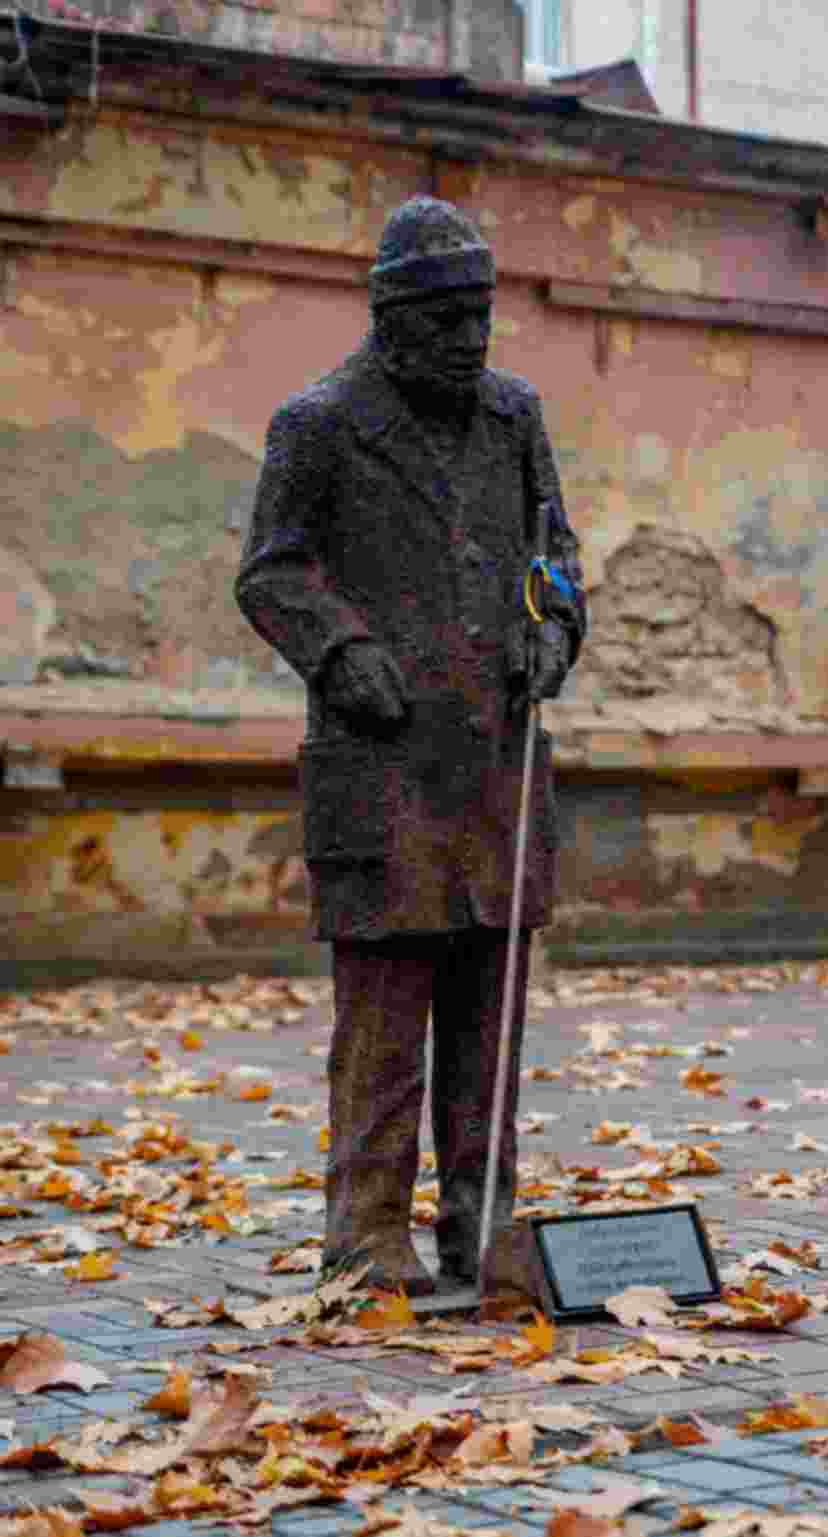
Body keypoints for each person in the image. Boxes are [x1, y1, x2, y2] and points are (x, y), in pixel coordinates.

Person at [235, 196, 586, 1296]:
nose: (469, 340)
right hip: (381, 774)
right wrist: (341, 652)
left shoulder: (513, 417)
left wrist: (554, 634)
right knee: (384, 1024)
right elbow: (270, 570)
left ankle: (480, 1231)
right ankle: (364, 1238)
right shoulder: (319, 423)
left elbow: (557, 559)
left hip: (496, 769)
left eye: (480, 317)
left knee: (489, 1026)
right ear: (390, 318)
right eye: (444, 321)